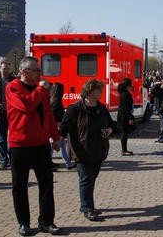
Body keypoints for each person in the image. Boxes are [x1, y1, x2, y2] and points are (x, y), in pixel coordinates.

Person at [5, 56, 62, 236]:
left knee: (46, 184)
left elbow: (48, 114)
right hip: (20, 145)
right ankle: (24, 222)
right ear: (24, 72)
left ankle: (46, 221)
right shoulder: (12, 87)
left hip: (41, 144)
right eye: (36, 70)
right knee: (19, 186)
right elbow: (25, 105)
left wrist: (55, 136)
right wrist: (40, 89)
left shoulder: (40, 90)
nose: (40, 73)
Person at [59, 79, 114, 222]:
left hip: (98, 149)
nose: (101, 92)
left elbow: (111, 124)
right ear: (90, 91)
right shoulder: (75, 109)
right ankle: (87, 208)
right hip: (81, 150)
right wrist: (57, 140)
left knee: (92, 177)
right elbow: (64, 128)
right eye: (99, 90)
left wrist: (109, 130)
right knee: (86, 179)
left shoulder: (101, 108)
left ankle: (88, 204)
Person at [0, 61, 15, 169]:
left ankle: (12, 158)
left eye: (7, 68)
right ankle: (3, 160)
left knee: (13, 137)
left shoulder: (14, 81)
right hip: (1, 113)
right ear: (0, 69)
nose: (5, 70)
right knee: (1, 138)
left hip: (13, 113)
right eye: (3, 68)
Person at [50, 82, 74, 169]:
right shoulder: (57, 102)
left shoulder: (52, 99)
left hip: (56, 125)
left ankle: (68, 163)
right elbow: (56, 114)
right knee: (55, 145)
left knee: (61, 145)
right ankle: (67, 163)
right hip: (58, 126)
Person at [117, 78, 135, 156]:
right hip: (124, 116)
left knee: (125, 132)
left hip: (123, 115)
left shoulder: (124, 93)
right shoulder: (125, 95)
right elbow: (125, 108)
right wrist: (130, 117)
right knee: (124, 133)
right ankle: (124, 150)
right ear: (128, 86)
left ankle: (125, 149)